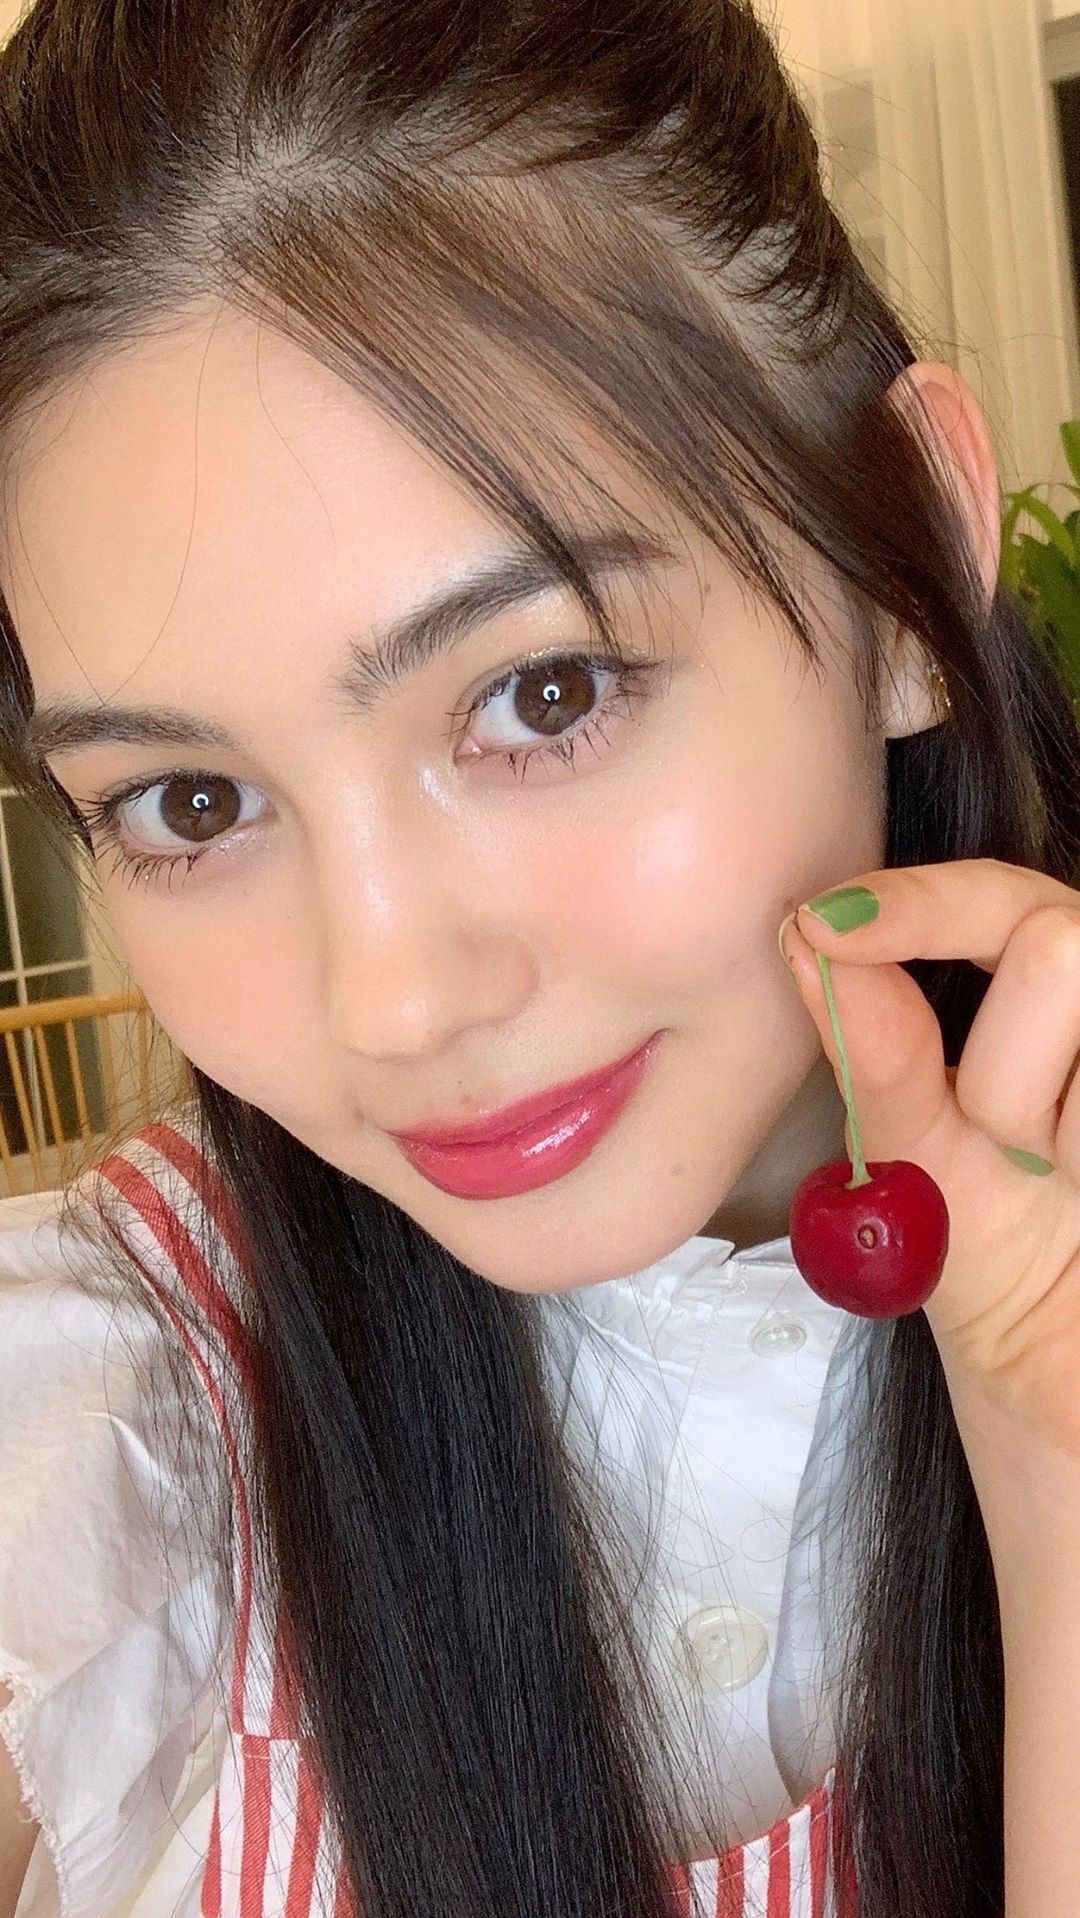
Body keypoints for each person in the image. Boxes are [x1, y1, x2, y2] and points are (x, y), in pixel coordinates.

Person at [1, 1, 1080, 1915]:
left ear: (905, 550)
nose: (394, 1000)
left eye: (543, 692)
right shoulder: (104, 1439)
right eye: (188, 803)